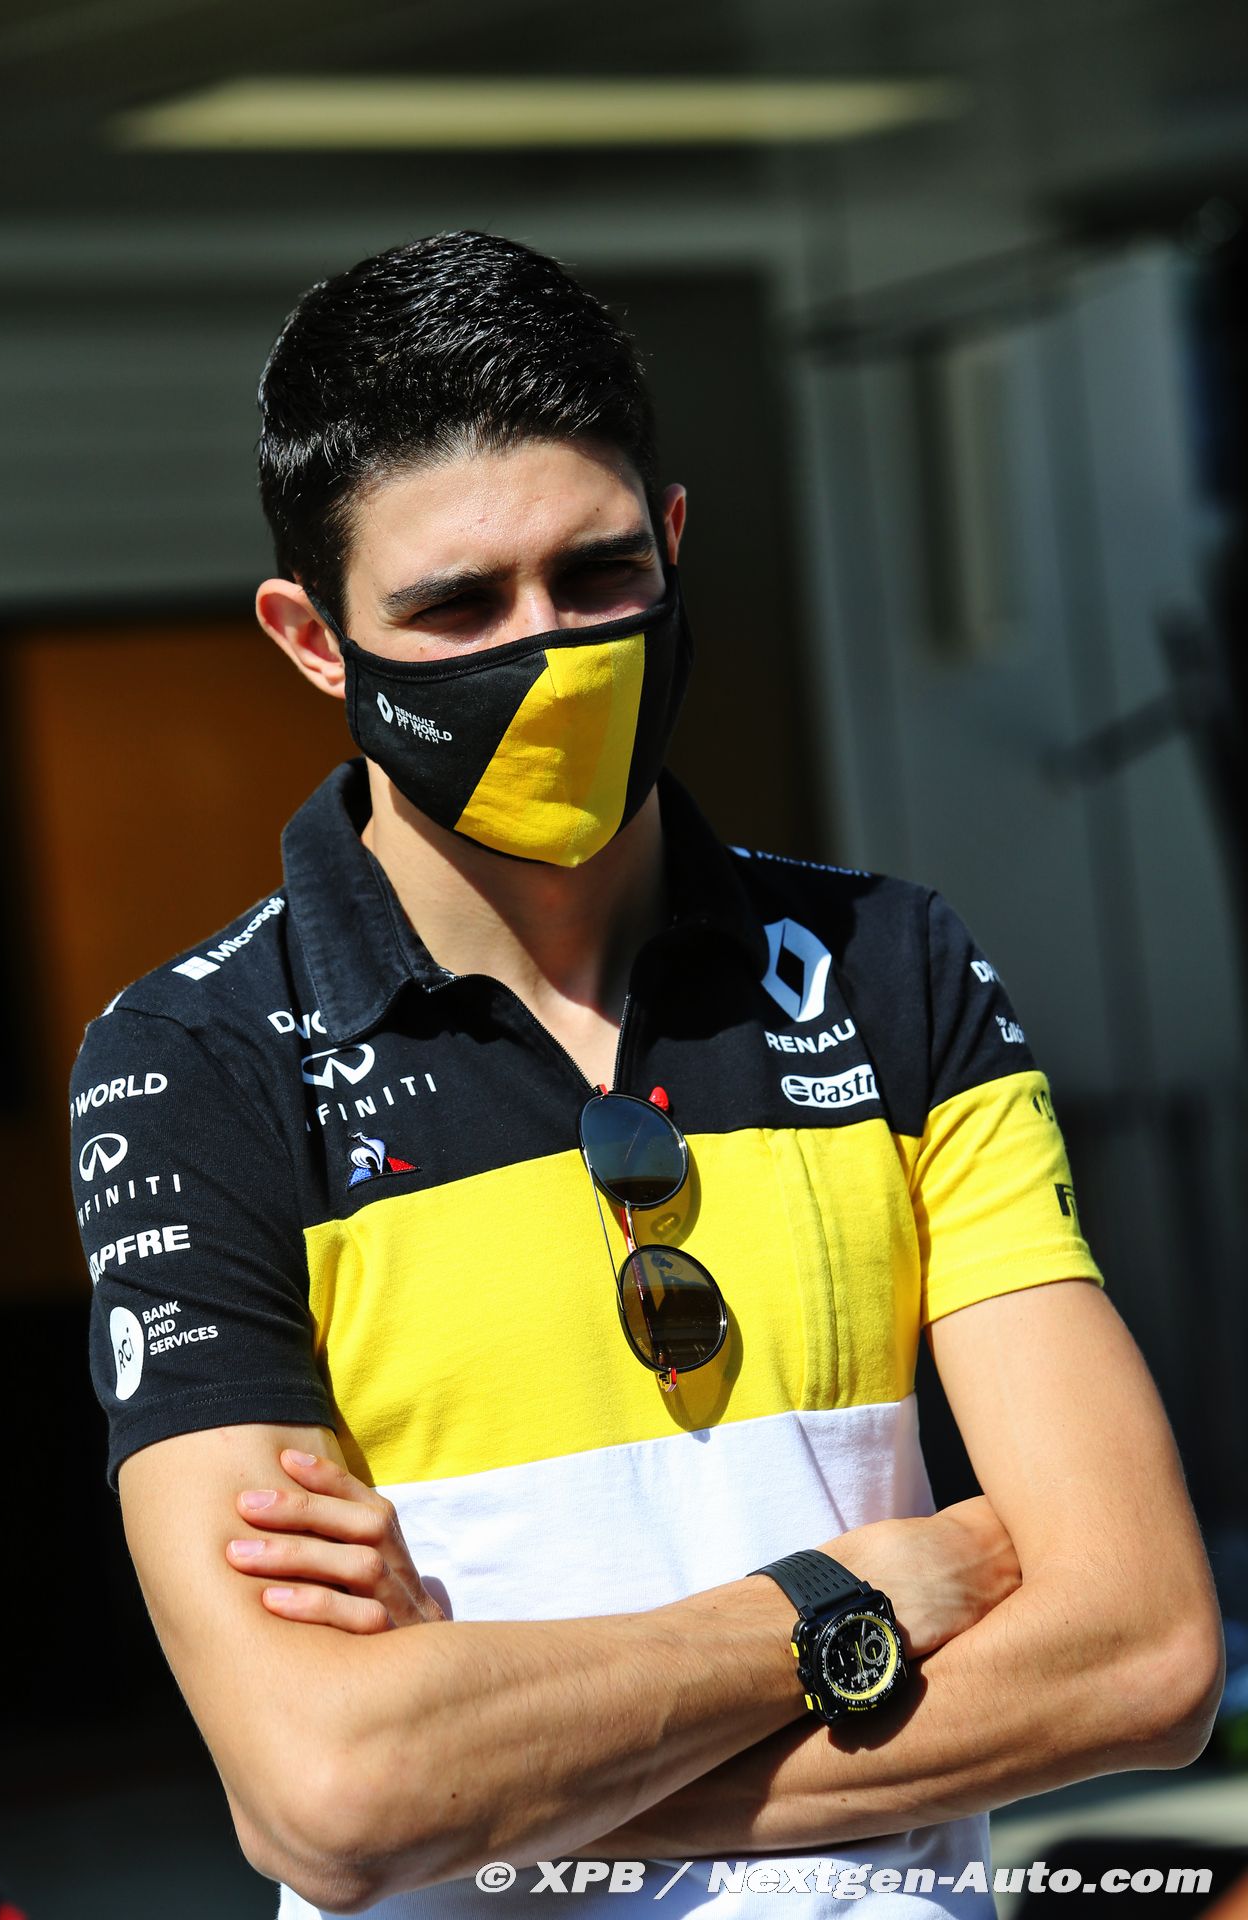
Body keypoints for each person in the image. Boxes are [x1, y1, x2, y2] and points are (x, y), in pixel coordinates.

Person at [68, 231, 1223, 1920]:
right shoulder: (195, 1065)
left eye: (598, 575)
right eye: (459, 606)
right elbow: (332, 1792)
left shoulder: (888, 968)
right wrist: (848, 1597)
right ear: (314, 640)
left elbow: (1143, 1652)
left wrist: (499, 1780)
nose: (548, 649)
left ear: (673, 544)